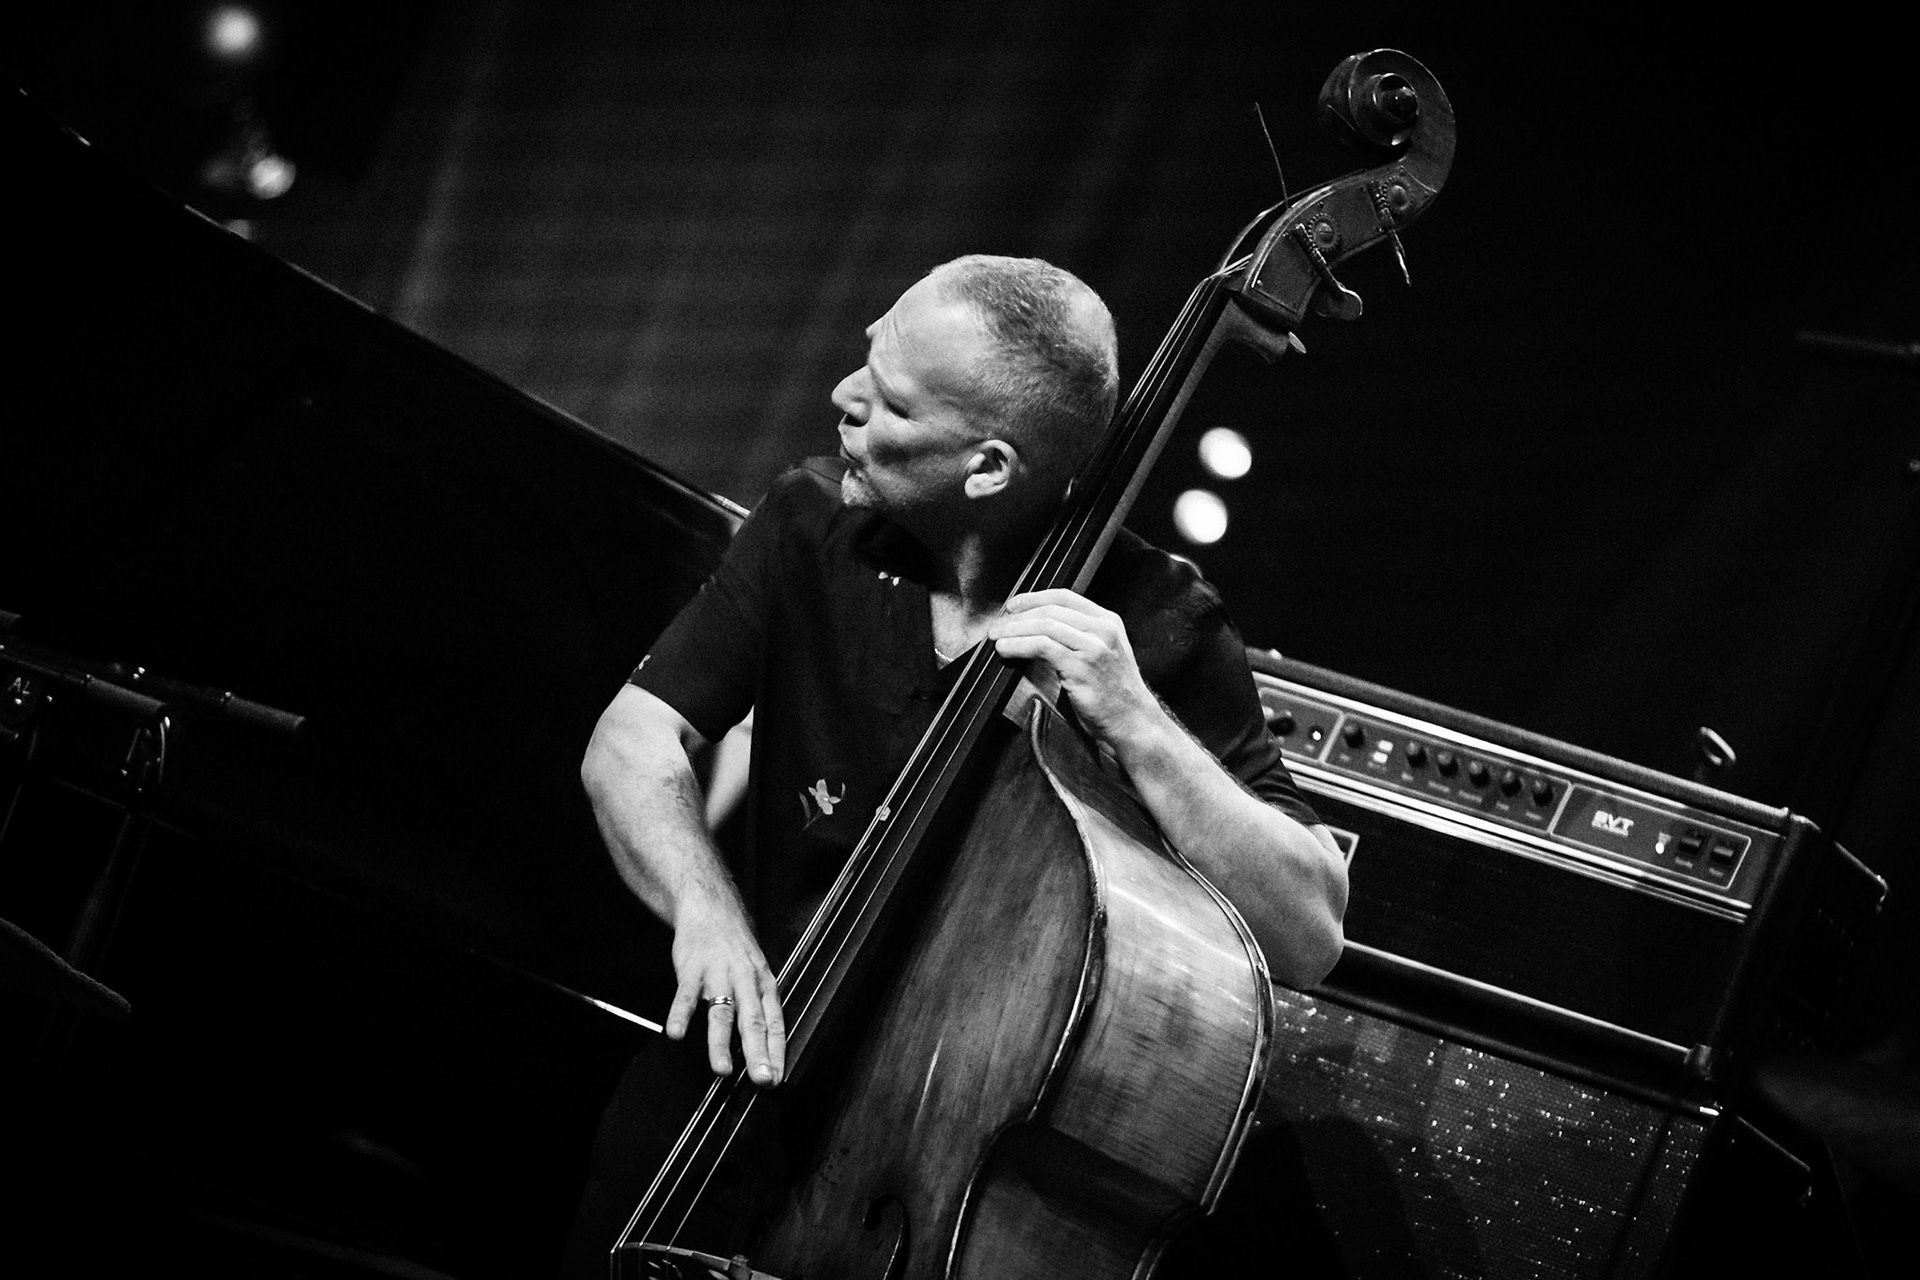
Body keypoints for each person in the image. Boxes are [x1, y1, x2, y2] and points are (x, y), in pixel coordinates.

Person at [562, 254, 1348, 1276]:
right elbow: (631, 741)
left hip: (926, 1180)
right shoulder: (813, 526)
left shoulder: (1156, 624)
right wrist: (708, 914)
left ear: (987, 467)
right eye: (867, 359)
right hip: (710, 1100)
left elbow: (1310, 930)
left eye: (888, 402)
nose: (842, 401)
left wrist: (1138, 723)